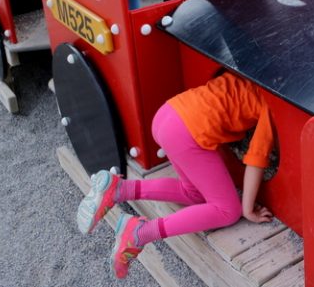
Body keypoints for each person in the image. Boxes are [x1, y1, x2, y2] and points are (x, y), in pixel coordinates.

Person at [76, 71, 276, 279]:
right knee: (229, 210)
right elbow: (256, 159)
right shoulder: (271, 103)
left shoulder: (248, 71)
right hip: (187, 133)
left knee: (194, 193)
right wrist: (248, 209)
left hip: (168, 113)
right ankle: (141, 233)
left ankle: (119, 188)